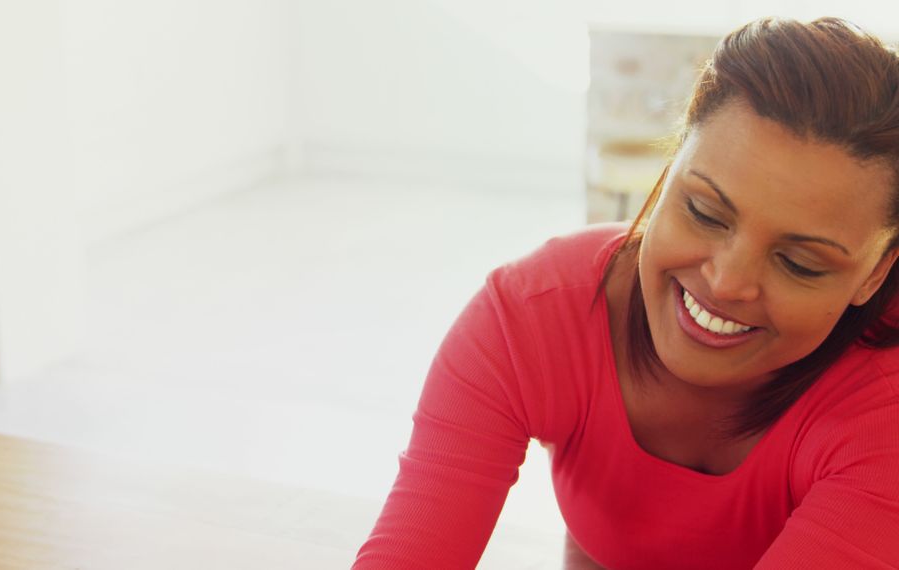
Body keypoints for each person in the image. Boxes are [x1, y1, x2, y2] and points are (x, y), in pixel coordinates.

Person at [352, 16, 899, 569]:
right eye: (704, 212)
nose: (727, 283)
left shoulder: (885, 413)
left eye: (799, 263)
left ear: (876, 274)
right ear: (671, 168)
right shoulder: (535, 314)